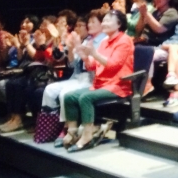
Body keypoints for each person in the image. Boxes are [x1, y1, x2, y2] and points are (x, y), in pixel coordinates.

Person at [62, 10, 134, 152]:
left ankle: (88, 134)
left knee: (85, 98)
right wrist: (84, 56)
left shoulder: (125, 40)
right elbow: (92, 66)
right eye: (104, 20)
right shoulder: (104, 41)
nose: (104, 23)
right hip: (100, 84)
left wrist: (94, 53)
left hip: (118, 85)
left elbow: (113, 65)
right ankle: (72, 132)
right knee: (69, 97)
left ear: (119, 24)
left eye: (108, 20)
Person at [42, 11, 108, 145]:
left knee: (65, 93)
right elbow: (72, 64)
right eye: (89, 22)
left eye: (93, 22)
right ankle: (50, 128)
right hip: (78, 77)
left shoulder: (104, 41)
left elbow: (94, 64)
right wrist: (70, 48)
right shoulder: (88, 40)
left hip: (92, 78)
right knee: (49, 90)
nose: (89, 25)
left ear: (102, 24)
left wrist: (78, 47)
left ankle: (67, 128)